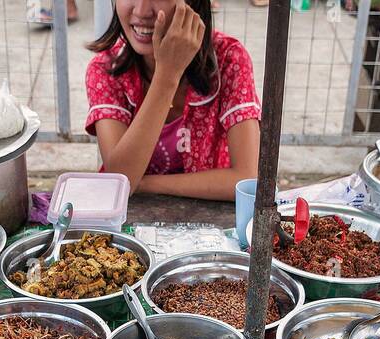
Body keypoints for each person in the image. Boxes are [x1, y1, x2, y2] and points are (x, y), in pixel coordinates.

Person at [85, 0, 260, 200]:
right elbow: (120, 180)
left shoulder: (229, 59)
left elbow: (246, 180)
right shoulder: (105, 69)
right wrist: (167, 74)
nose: (142, 11)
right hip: (129, 220)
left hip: (208, 224)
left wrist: (143, 183)